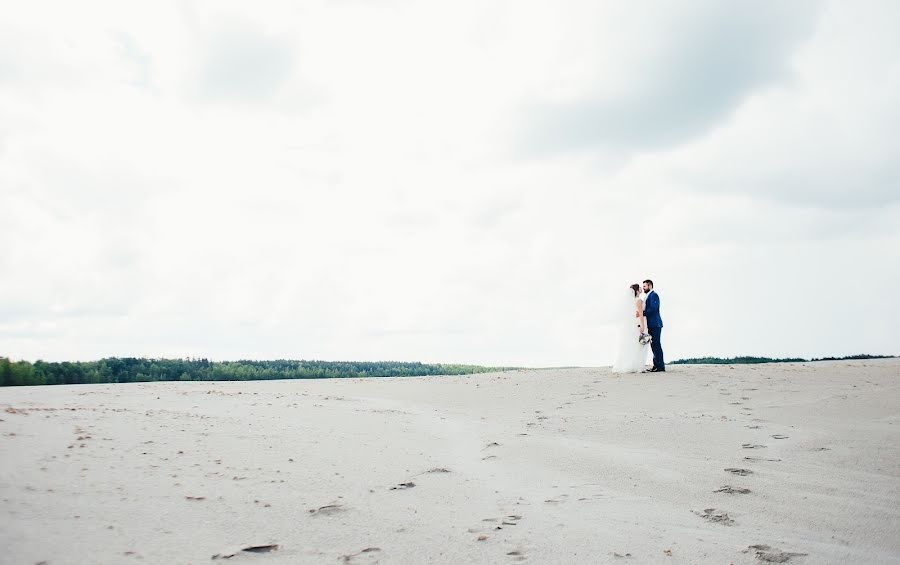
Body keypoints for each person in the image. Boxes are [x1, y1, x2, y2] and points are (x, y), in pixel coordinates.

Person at [613, 283, 650, 373]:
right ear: (637, 290)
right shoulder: (639, 300)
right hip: (641, 323)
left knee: (636, 344)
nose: (641, 288)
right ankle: (639, 366)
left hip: (635, 323)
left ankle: (633, 365)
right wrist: (642, 325)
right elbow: (640, 314)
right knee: (641, 345)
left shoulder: (632, 301)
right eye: (640, 287)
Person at [641, 279, 665, 372]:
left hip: (655, 324)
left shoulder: (654, 295)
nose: (643, 288)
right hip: (651, 324)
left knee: (656, 345)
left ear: (650, 286)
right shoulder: (648, 296)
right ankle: (656, 365)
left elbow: (653, 309)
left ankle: (660, 366)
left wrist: (642, 313)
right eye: (643, 287)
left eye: (645, 286)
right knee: (653, 345)